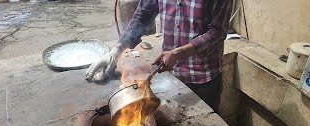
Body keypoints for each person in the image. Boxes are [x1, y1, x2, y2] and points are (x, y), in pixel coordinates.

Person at [85, 0, 233, 113]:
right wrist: (115, 52)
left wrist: (178, 53)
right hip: (171, 76)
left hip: (203, 78)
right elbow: (141, 17)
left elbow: (217, 32)